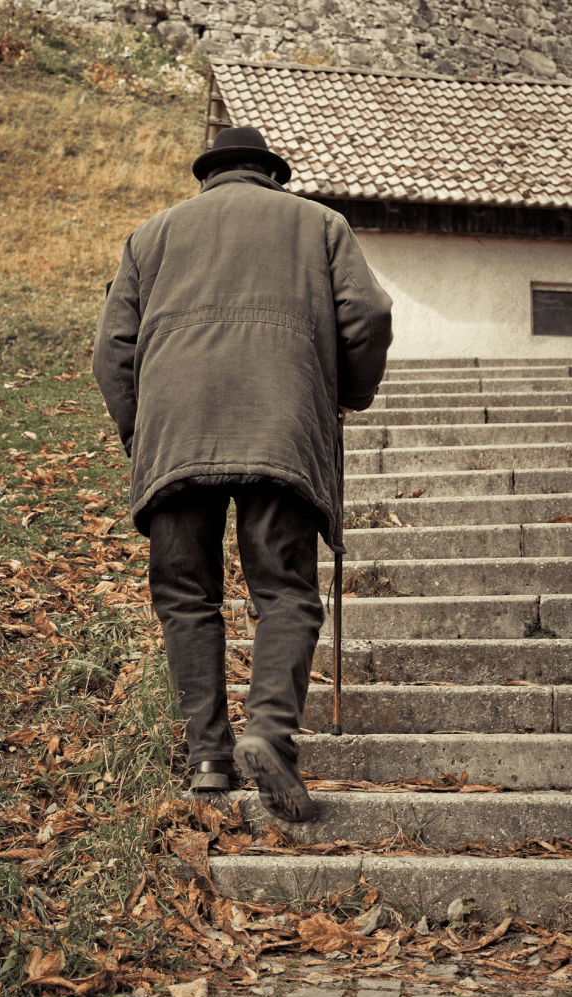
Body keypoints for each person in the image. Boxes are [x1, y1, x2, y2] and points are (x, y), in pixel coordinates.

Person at [92, 126, 392, 823]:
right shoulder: (320, 224)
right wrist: (347, 392)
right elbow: (370, 312)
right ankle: (269, 733)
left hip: (174, 431)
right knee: (285, 591)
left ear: (208, 177)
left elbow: (112, 349)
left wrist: (141, 432)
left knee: (185, 596)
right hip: (279, 423)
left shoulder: (151, 236)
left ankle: (208, 758)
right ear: (271, 175)